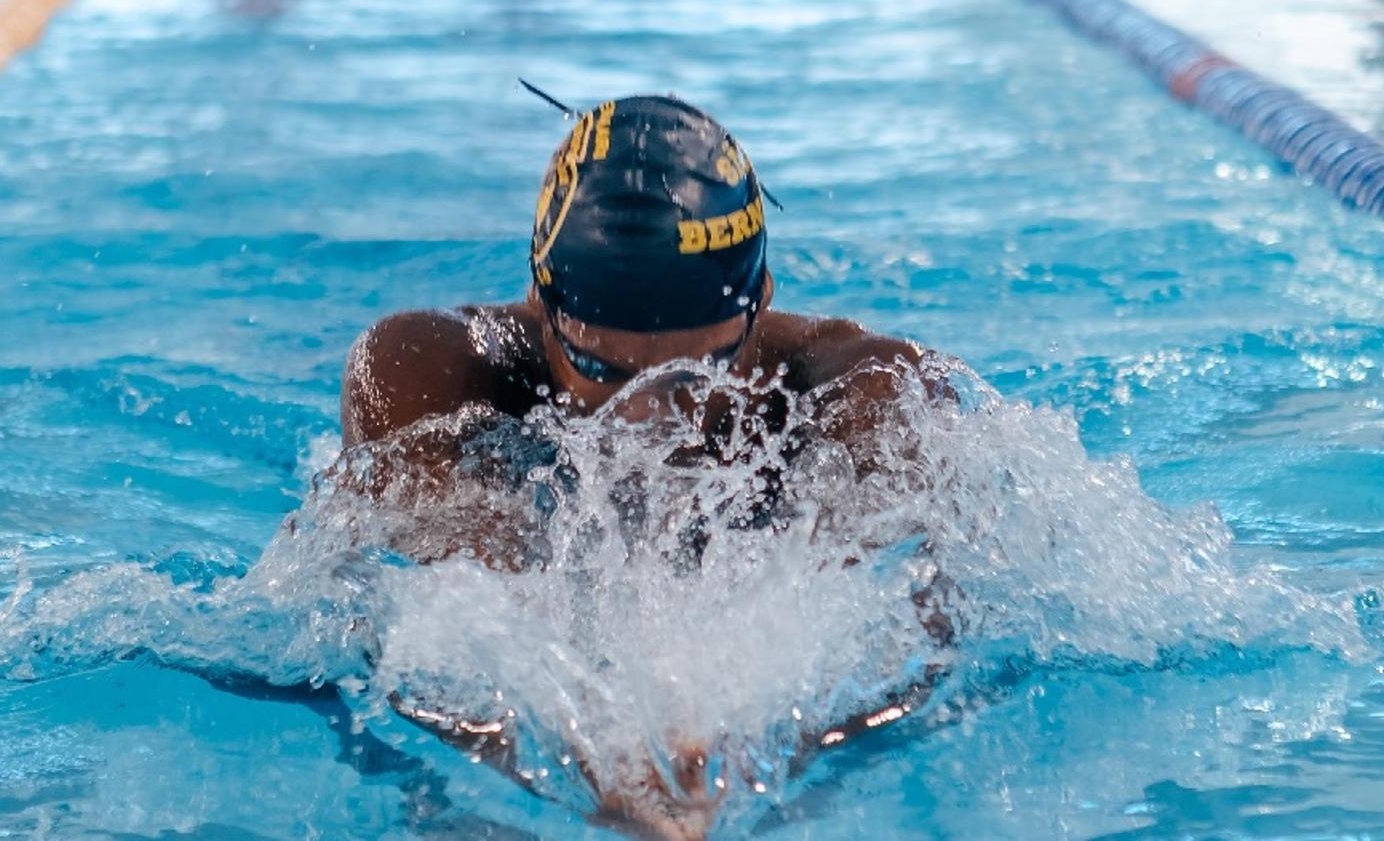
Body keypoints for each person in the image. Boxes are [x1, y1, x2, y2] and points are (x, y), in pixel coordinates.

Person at [331, 92, 947, 840]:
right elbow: (472, 598)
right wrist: (599, 749)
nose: (649, 410)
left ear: (765, 301)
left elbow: (910, 629)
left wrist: (759, 753)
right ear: (540, 297)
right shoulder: (423, 370)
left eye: (700, 369)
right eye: (601, 364)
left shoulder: (868, 391)